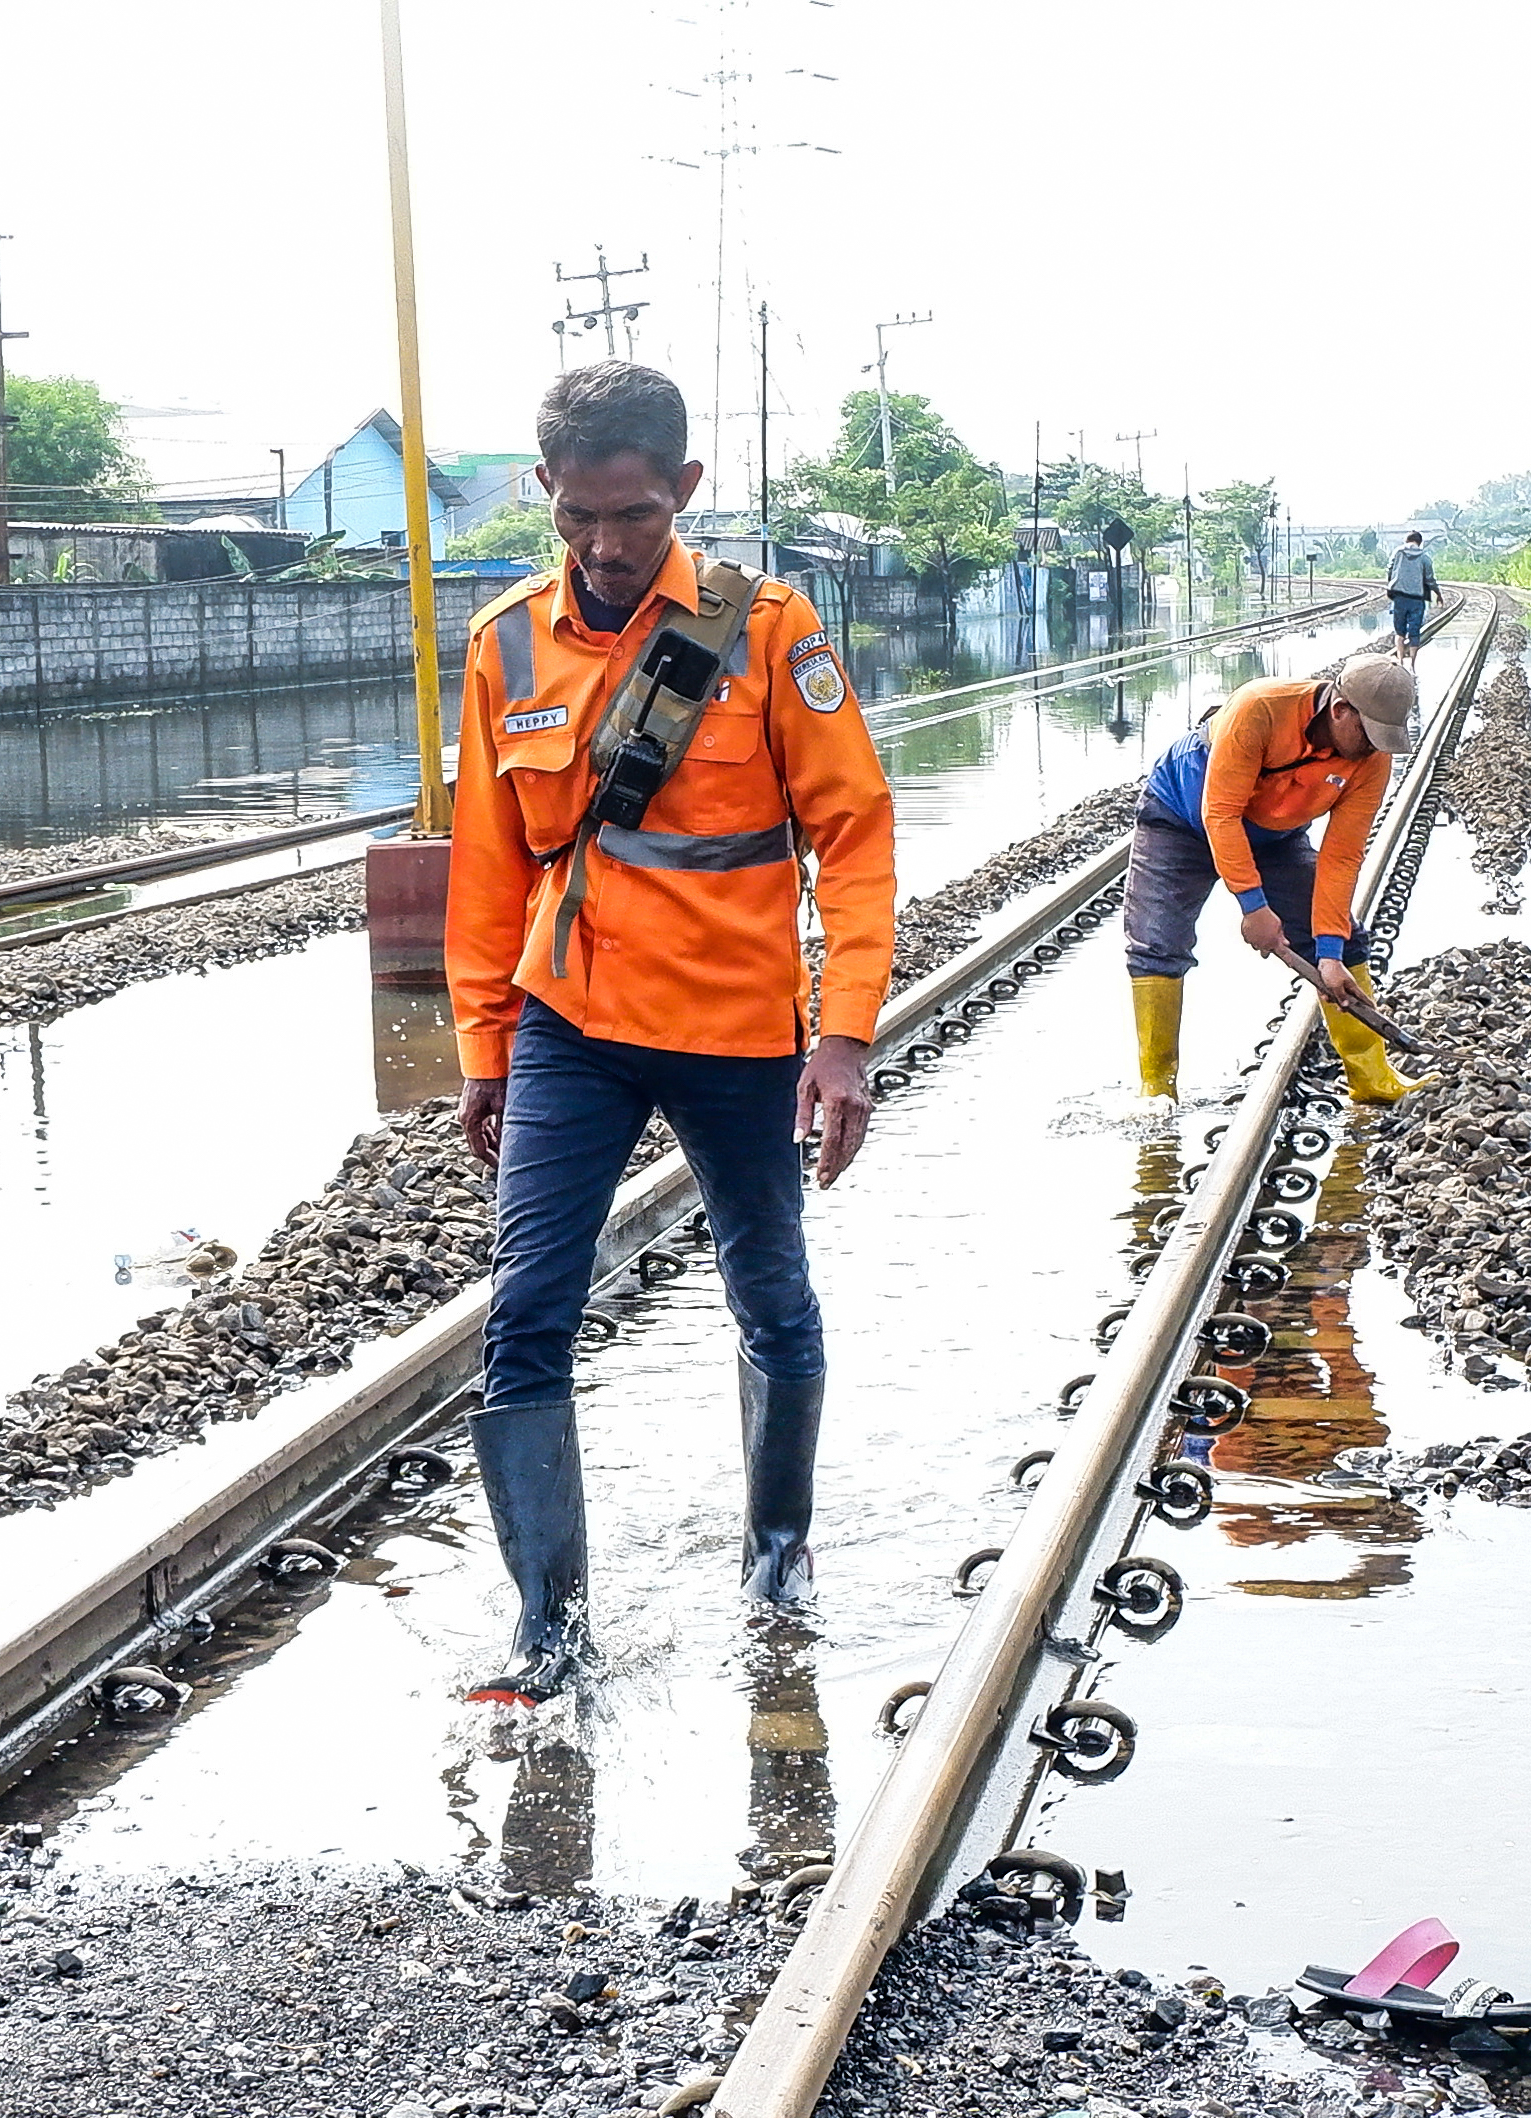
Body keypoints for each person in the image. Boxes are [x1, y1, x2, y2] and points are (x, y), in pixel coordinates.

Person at [446, 361, 895, 1704]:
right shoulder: (506, 644)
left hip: (739, 1028)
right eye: (575, 516)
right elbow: (485, 869)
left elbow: (856, 839)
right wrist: (484, 1047)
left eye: (632, 515)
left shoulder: (764, 631)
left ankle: (778, 1553)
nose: (601, 545)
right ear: (545, 493)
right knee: (525, 1313)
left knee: (770, 1294)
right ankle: (549, 1629)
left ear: (685, 491)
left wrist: (848, 1031)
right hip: (570, 1026)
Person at [1123, 655, 1432, 1106]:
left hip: (1273, 835)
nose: (1372, 748)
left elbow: (1342, 856)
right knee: (1156, 942)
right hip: (1180, 820)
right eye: (1368, 735)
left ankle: (1372, 1077)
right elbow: (1220, 814)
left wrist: (1328, 952)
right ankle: (1157, 1087)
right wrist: (1254, 907)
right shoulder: (1261, 708)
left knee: (1345, 941)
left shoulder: (1371, 761)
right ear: (1340, 709)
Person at [1385, 531, 1438, 661]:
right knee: (1415, 633)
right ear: (1419, 543)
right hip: (1417, 599)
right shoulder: (1424, 556)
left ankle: (1401, 660)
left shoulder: (1398, 552)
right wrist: (1437, 592)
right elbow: (1429, 578)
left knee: (1400, 632)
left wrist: (1392, 584)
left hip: (1399, 597)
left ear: (1406, 541)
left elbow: (1390, 570)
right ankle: (1413, 665)